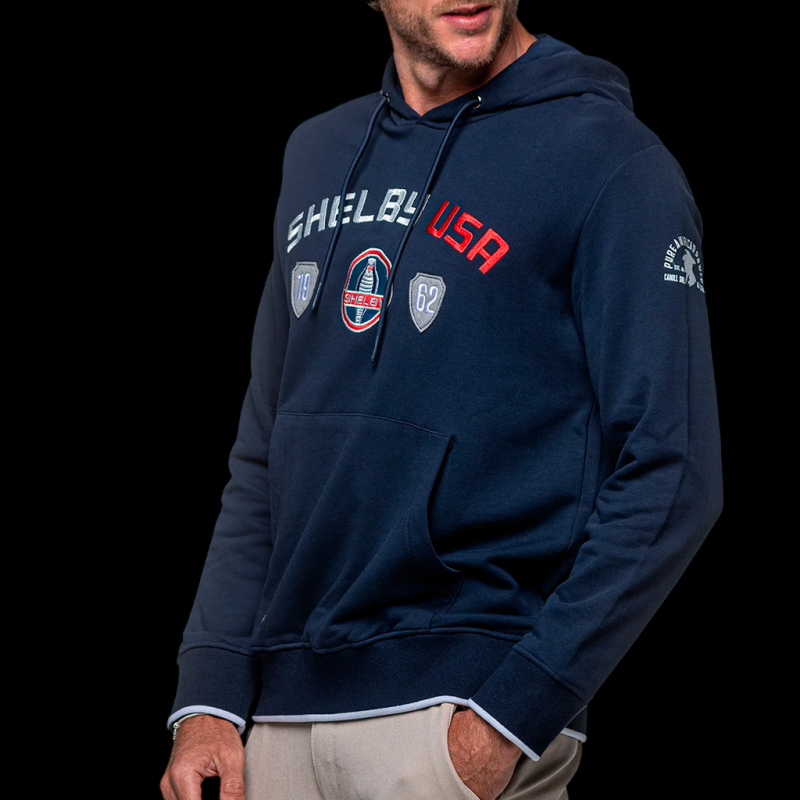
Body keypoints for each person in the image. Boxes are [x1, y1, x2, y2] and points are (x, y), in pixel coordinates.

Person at [160, 2, 723, 798]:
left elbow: (675, 466)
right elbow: (265, 452)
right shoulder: (317, 152)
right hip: (275, 728)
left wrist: (506, 720)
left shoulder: (611, 160)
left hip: (451, 718)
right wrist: (208, 696)